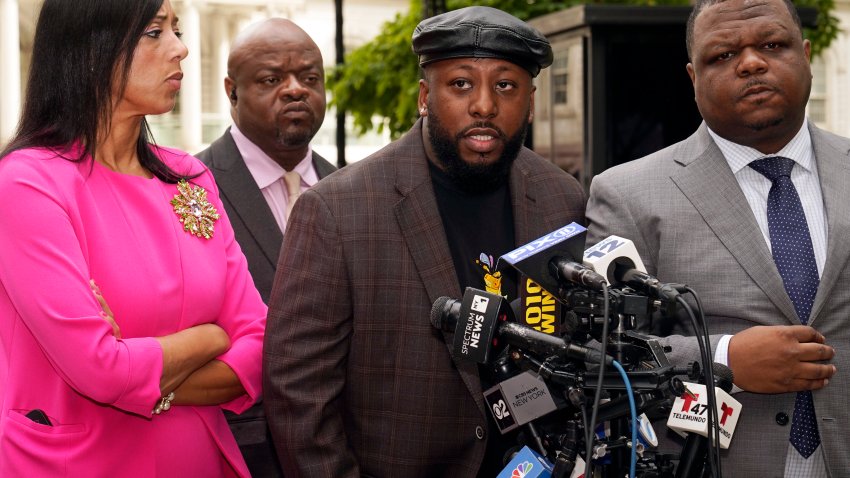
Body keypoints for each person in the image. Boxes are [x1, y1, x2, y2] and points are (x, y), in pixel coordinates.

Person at [262, 6, 586, 478]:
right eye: (460, 84)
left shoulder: (562, 198)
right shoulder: (337, 209)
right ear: (423, 97)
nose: (484, 105)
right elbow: (298, 394)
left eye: (505, 86)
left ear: (531, 102)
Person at [0, 1, 266, 476]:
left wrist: (143, 373)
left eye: (177, 30)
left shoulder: (187, 176)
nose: (180, 49)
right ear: (90, 50)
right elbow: (99, 370)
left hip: (200, 458)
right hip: (77, 463)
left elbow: (259, 342)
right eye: (154, 32)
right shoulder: (27, 184)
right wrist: (210, 336)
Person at [585, 0, 848, 475]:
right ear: (692, 77)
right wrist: (724, 357)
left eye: (772, 44)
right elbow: (601, 351)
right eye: (723, 55)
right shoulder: (627, 194)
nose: (751, 62)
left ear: (806, 54)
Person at [196, 18, 336, 477]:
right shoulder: (185, 188)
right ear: (231, 91)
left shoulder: (357, 189)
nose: (295, 90)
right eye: (272, 79)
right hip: (237, 448)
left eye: (309, 78)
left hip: (346, 449)